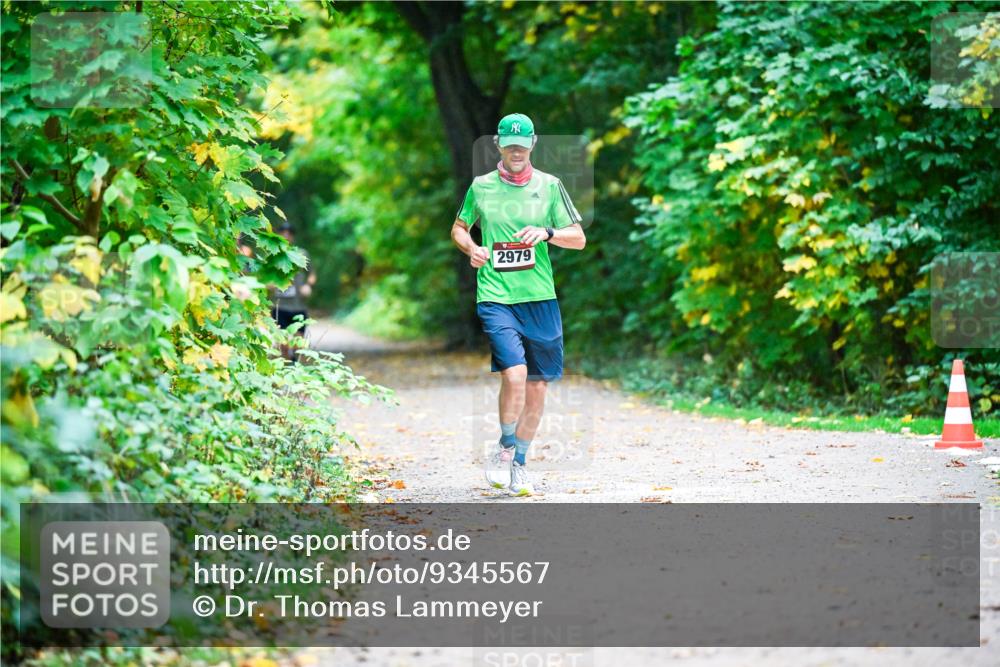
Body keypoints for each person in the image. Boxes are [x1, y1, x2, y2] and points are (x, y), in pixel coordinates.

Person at [450, 113, 586, 496]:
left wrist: (547, 232)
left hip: (540, 298)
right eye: (509, 146)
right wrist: (473, 248)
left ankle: (520, 463)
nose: (515, 152)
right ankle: (505, 446)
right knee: (515, 375)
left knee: (539, 387)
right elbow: (459, 227)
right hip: (496, 295)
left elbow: (578, 237)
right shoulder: (481, 187)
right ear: (498, 145)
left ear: (533, 144)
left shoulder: (550, 186)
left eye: (521, 146)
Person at [269, 223, 317, 360]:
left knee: (298, 343)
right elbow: (264, 278)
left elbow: (312, 274)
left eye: (289, 233)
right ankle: (286, 371)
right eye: (283, 232)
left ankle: (295, 365)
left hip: (298, 306)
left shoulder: (301, 254)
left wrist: (308, 285)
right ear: (278, 235)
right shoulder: (273, 255)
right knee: (283, 343)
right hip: (279, 306)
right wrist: (269, 285)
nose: (286, 235)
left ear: (293, 236)